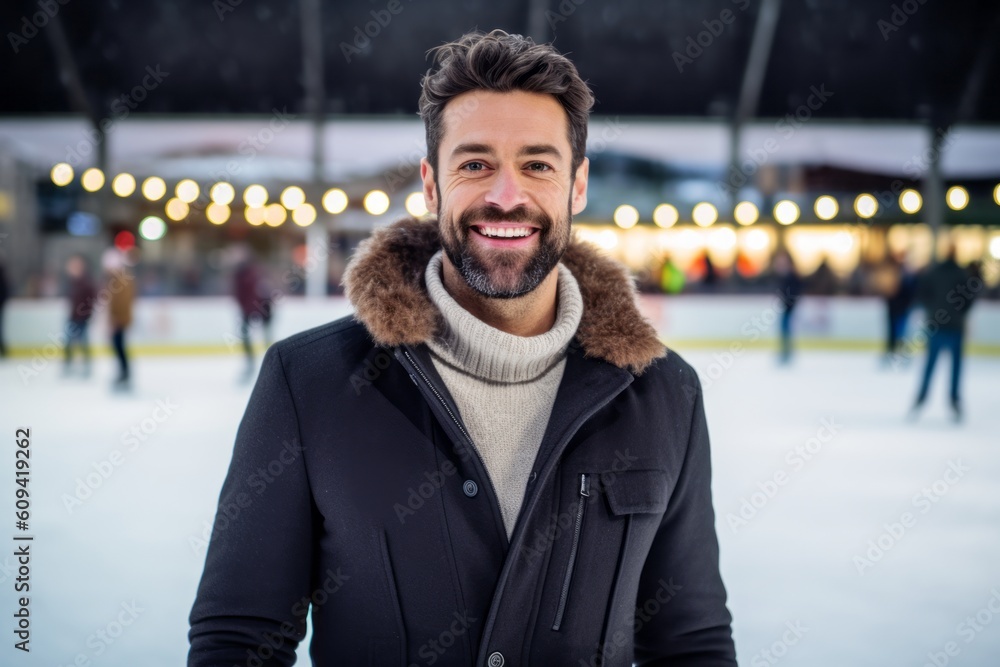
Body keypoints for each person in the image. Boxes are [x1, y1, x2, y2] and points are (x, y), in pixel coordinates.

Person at [189, 30, 736, 666]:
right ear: (431, 184)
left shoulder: (665, 393)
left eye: (538, 165)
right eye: (475, 164)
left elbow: (689, 641)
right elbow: (241, 639)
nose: (507, 196)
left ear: (577, 185)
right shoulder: (308, 383)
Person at [911, 246, 978, 421]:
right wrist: (959, 313)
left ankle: (921, 398)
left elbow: (922, 294)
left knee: (930, 365)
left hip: (937, 324)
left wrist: (932, 311)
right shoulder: (961, 274)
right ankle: (954, 400)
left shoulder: (934, 273)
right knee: (955, 367)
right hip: (955, 326)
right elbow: (970, 299)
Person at [232, 249, 274, 379]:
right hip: (251, 310)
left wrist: (254, 310)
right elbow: (240, 295)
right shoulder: (240, 275)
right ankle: (253, 365)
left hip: (262, 309)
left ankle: (271, 365)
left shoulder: (254, 274)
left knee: (266, 339)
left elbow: (262, 293)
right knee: (247, 337)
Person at [104, 248, 135, 390]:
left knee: (120, 347)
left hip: (120, 321)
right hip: (119, 320)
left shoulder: (122, 280)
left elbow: (123, 302)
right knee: (119, 347)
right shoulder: (117, 280)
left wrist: (117, 320)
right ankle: (123, 374)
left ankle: (125, 374)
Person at [63, 255, 97, 376]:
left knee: (83, 343)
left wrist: (87, 314)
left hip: (83, 318)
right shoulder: (72, 282)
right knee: (68, 343)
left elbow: (92, 299)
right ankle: (68, 365)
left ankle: (86, 367)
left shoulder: (86, 282)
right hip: (72, 318)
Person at [773, 251, 802, 364]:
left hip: (789, 309)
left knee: (786, 332)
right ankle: (785, 354)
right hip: (786, 309)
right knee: (785, 332)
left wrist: (789, 303)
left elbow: (794, 292)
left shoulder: (792, 276)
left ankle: (786, 355)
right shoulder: (785, 276)